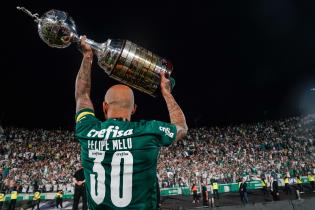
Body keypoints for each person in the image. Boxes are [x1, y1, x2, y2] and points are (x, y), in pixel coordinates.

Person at [74, 36, 187, 210]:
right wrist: (166, 93)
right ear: (133, 109)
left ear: (104, 107)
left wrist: (87, 55)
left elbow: (82, 96)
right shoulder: (148, 130)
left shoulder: (87, 130)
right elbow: (181, 128)